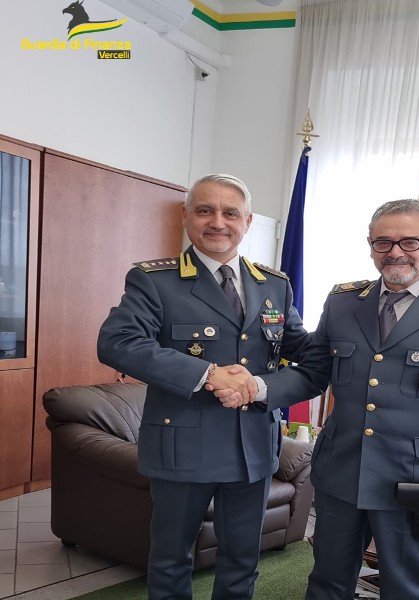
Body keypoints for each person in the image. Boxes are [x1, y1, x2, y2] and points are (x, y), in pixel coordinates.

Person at [215, 198, 419, 599]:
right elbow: (313, 372)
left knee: (407, 588)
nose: (395, 252)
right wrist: (257, 386)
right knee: (327, 583)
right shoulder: (344, 302)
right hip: (342, 470)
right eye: (383, 243)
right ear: (371, 246)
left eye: (410, 242)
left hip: (417, 479)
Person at [97, 173, 309, 600]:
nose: (218, 222)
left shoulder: (275, 284)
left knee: (242, 560)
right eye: (205, 210)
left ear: (247, 221)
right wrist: (209, 374)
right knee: (171, 558)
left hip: (252, 446)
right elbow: (118, 343)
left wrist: (263, 387)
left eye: (230, 213)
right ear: (185, 216)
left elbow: (303, 350)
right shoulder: (155, 280)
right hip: (183, 445)